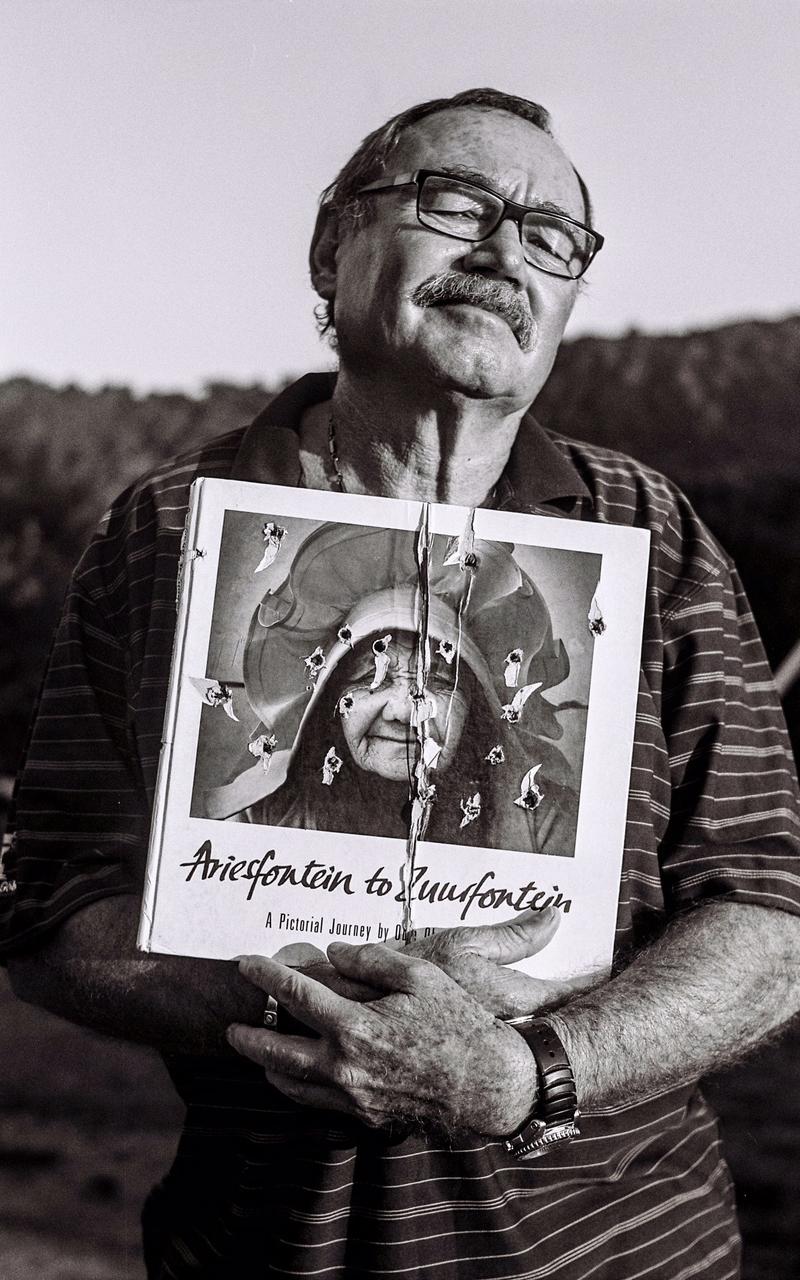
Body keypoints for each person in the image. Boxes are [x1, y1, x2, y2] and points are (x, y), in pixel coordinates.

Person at [3, 86, 800, 1279]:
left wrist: (526, 1072)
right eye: (456, 201)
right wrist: (302, 1000)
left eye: (549, 236)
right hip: (269, 1247)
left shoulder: (651, 534)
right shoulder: (173, 530)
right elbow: (53, 906)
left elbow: (766, 918)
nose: (500, 252)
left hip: (621, 1251)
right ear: (333, 245)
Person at [201, 521, 582, 853]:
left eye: (438, 680)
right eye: (373, 678)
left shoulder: (548, 825)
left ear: (478, 707)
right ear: (329, 701)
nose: (404, 711)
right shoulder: (259, 818)